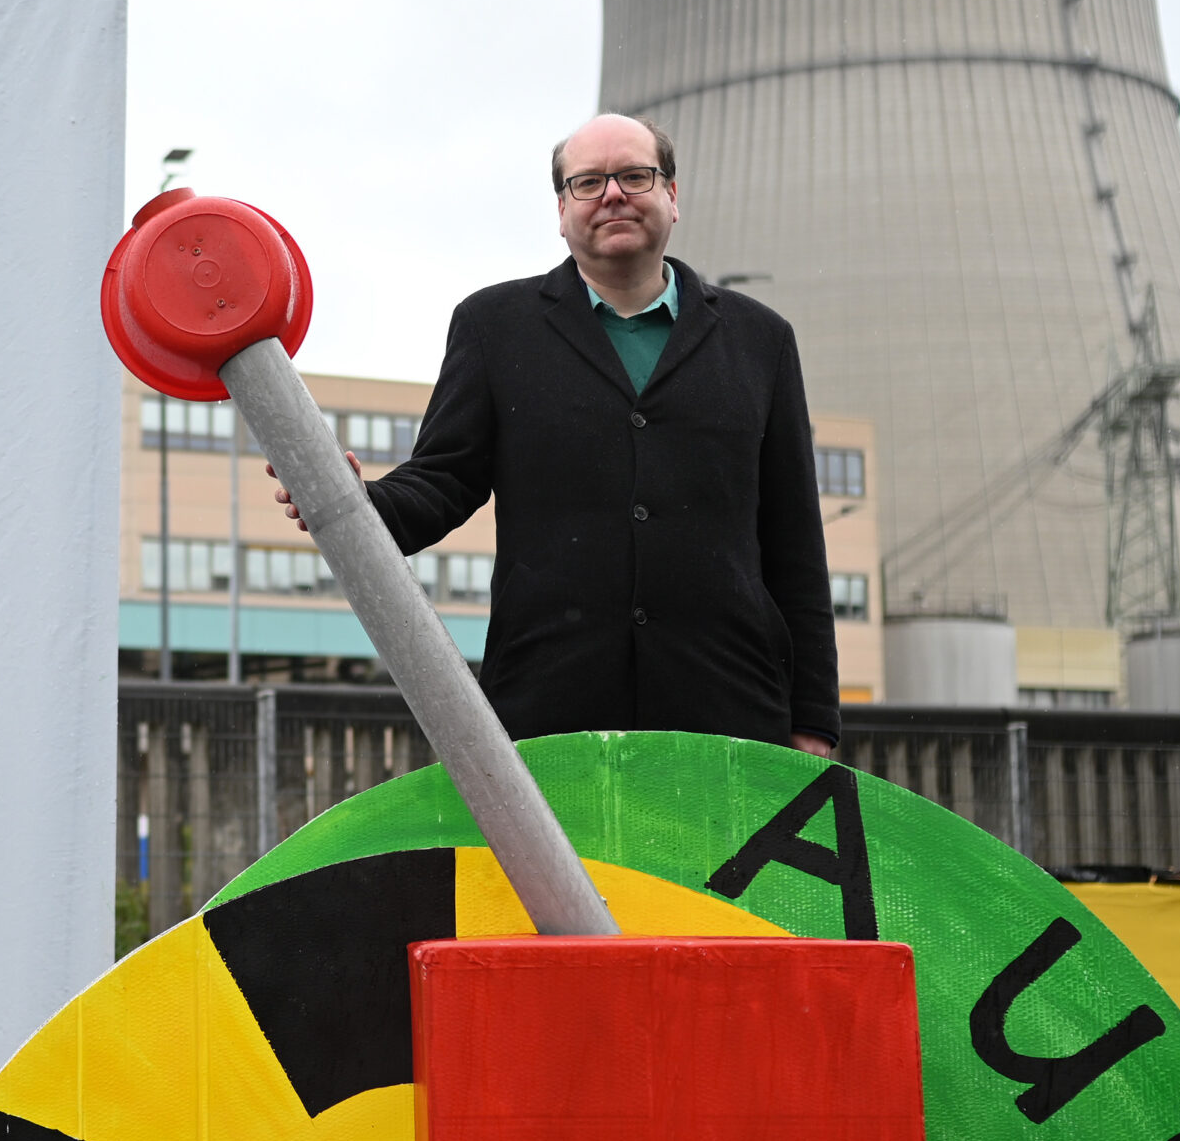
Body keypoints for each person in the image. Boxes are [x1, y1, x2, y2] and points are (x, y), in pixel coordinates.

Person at [275, 112, 839, 755]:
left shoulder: (759, 339)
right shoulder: (496, 327)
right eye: (588, 182)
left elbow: (795, 542)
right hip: (551, 709)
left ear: (672, 196)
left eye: (634, 175)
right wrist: (351, 503)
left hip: (726, 711)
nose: (613, 195)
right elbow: (443, 480)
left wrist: (813, 721)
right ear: (561, 210)